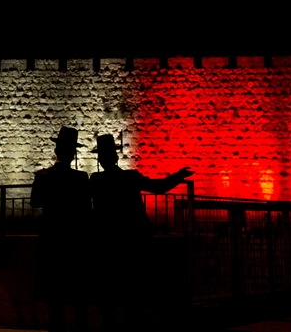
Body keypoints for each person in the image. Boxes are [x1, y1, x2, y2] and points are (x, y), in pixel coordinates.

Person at [89, 133, 194, 331]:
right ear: (116, 157)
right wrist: (178, 176)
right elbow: (159, 187)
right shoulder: (130, 177)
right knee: (132, 299)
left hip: (107, 248)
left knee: (108, 303)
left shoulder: (95, 180)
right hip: (132, 246)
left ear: (100, 159)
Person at [30, 126, 91, 332]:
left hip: (51, 239)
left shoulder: (43, 176)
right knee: (78, 294)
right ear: (73, 153)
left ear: (56, 151)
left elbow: (35, 202)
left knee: (54, 295)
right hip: (75, 240)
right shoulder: (81, 178)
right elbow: (86, 210)